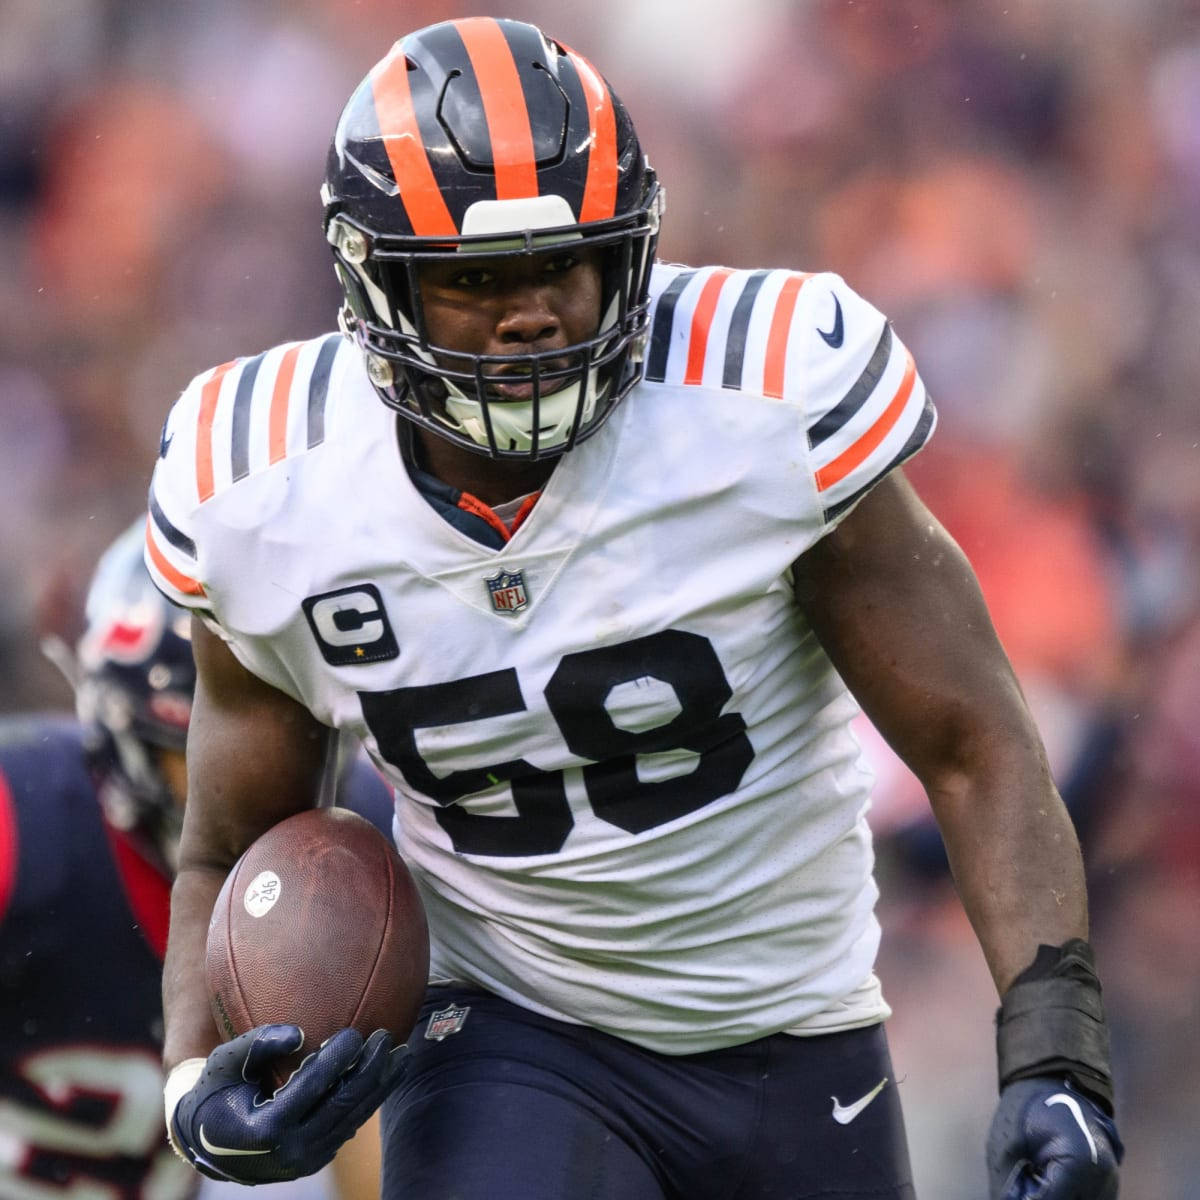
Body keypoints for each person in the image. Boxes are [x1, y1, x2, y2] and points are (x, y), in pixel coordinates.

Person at [144, 17, 1122, 1200]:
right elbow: (229, 844)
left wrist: (1056, 1052)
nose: (532, 315)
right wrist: (198, 1085)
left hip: (797, 1027)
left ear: (631, 252)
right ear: (376, 283)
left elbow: (976, 746)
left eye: (562, 264)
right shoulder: (264, 491)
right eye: (475, 279)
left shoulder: (761, 404)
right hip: (509, 1031)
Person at [0, 523, 394, 1200]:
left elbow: (383, 1152)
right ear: (127, 730)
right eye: (195, 752)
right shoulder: (24, 815)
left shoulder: (357, 845)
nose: (239, 781)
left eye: (276, 744)